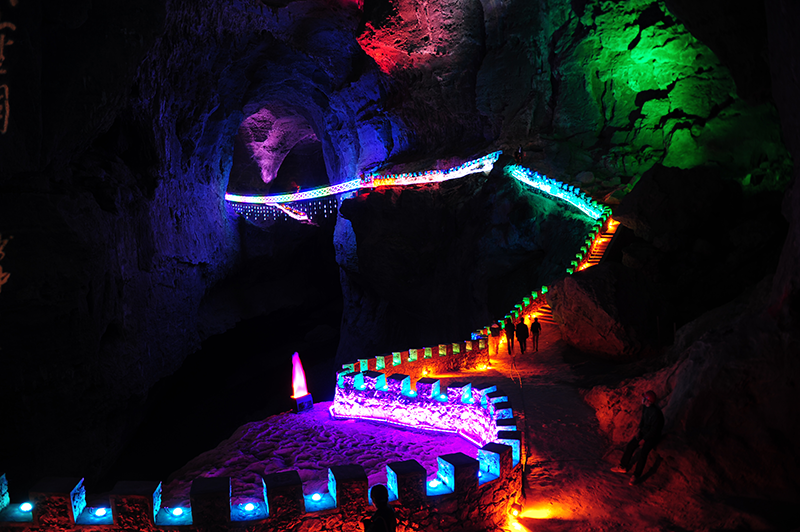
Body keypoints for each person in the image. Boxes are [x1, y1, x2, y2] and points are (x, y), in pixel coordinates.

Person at [611, 390, 664, 485]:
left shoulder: (656, 413)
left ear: (648, 401)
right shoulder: (645, 407)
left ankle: (636, 476)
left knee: (643, 453)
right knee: (631, 445)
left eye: (644, 398)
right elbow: (643, 420)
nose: (642, 399)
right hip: (644, 432)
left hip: (653, 436)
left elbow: (654, 430)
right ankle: (623, 466)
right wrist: (639, 431)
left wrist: (644, 439)